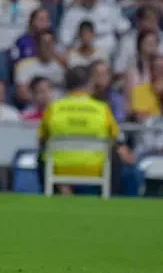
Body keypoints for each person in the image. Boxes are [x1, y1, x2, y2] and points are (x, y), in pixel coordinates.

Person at [39, 66, 123, 196]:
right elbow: (114, 136)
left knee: (42, 155)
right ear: (89, 83)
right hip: (94, 168)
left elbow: (42, 136)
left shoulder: (53, 108)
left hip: (59, 169)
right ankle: (108, 196)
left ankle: (60, 189)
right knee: (114, 154)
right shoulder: (102, 109)